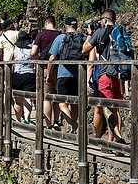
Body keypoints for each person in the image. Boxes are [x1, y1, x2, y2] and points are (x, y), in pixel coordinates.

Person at [82, 9, 126, 145]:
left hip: (105, 75)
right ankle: (111, 143)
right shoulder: (121, 31)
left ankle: (117, 138)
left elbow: (84, 50)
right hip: (119, 76)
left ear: (105, 20)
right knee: (115, 108)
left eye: (101, 20)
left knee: (105, 107)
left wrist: (90, 35)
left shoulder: (100, 32)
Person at [46, 16, 85, 133]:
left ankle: (71, 123)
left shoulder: (60, 38)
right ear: (76, 25)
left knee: (62, 103)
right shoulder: (82, 37)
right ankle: (73, 128)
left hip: (63, 74)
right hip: (78, 74)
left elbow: (52, 58)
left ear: (65, 25)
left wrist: (48, 74)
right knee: (75, 102)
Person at [31, 16, 62, 129]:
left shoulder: (41, 35)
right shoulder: (60, 34)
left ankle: (48, 125)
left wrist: (39, 60)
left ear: (45, 24)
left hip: (45, 68)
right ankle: (56, 121)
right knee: (57, 96)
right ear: (54, 23)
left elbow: (33, 52)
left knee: (46, 97)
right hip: (59, 69)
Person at [11, 31, 36, 124]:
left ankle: (18, 120)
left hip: (17, 75)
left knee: (18, 100)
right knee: (28, 98)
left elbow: (9, 59)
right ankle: (26, 118)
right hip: (29, 74)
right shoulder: (32, 48)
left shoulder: (15, 48)